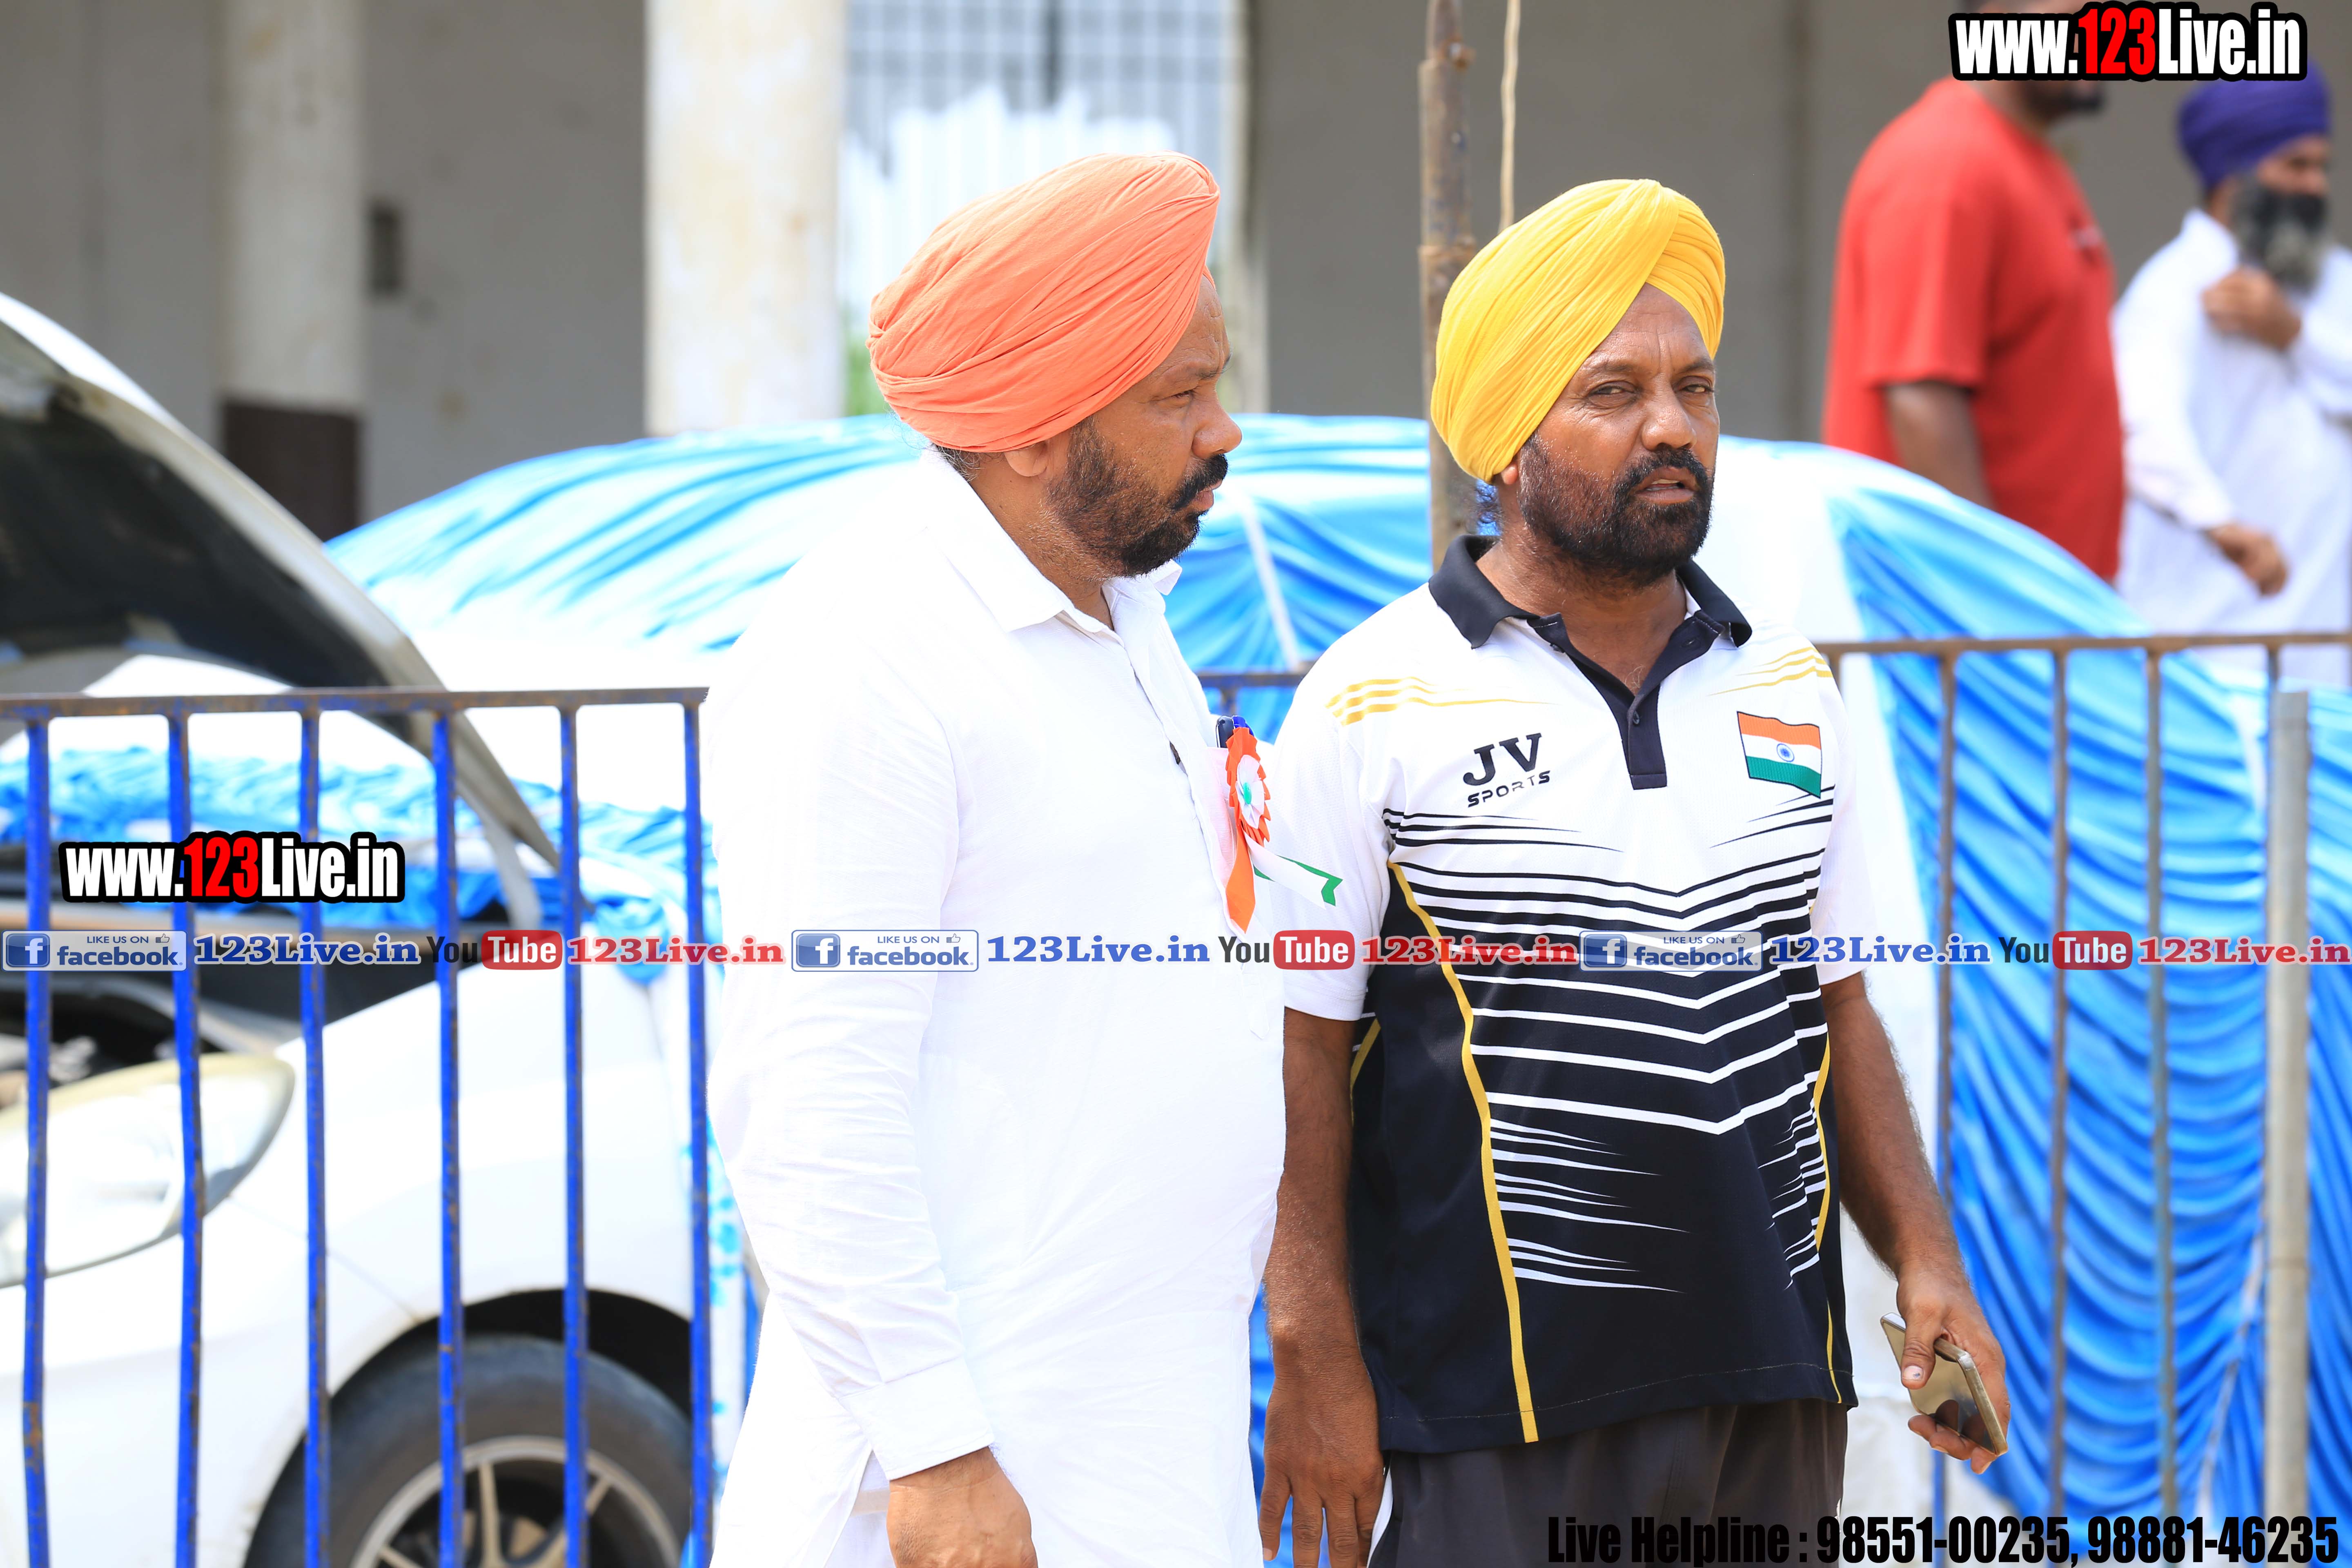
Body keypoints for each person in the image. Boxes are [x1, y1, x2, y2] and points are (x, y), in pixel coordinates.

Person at [1258, 179, 2009, 1568]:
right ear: (1505, 439)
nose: (1672, 425)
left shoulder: (1790, 686)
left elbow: (1837, 1005)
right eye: (1613, 391)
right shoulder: (1372, 697)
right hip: (1495, 1402)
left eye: (1694, 388)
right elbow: (1299, 1043)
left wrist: (1927, 1256)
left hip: (1774, 1381)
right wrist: (1312, 1349)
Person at [705, 152, 1282, 1568]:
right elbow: (811, 1095)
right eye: (1178, 396)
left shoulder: (1121, 606)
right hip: (972, 1479)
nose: (1222, 430)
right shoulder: (865, 656)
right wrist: (936, 1449)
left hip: (1143, 1440)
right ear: (1033, 431)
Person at [1821, 0, 2123, 579]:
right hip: (1966, 607)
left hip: (2043, 600)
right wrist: (1992, 590)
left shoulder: (2024, 156)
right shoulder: (1946, 163)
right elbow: (1921, 399)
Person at [2114, 72, 2352, 681]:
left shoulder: (2335, 282)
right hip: (2210, 654)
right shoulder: (2171, 290)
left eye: (2321, 166)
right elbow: (2143, 427)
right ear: (2233, 175)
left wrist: (2295, 335)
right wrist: (2221, 522)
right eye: (2295, 165)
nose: (2316, 186)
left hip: (2326, 653)